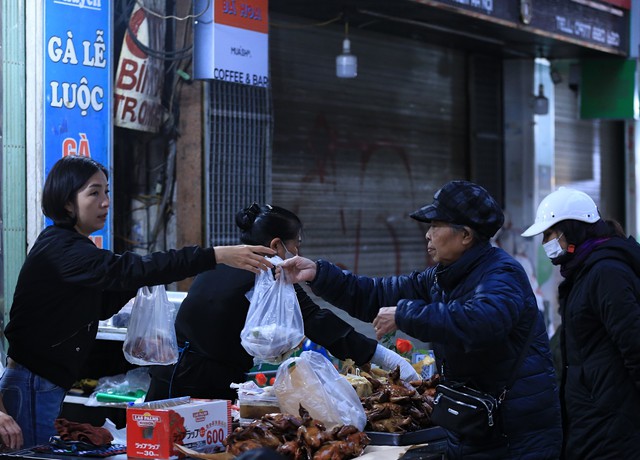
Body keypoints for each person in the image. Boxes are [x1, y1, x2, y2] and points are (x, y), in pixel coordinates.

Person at [0, 156, 276, 450]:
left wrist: (141, 281)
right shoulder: (61, 248)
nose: (105, 202)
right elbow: (128, 270)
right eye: (94, 193)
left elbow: (107, 298)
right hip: (33, 383)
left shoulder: (71, 245)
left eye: (106, 191)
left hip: (45, 383)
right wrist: (214, 256)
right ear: (67, 202)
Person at [279, 180, 562, 459]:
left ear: (465, 235)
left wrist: (405, 314)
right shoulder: (441, 276)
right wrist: (318, 274)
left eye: (435, 226)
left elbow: (480, 321)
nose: (428, 234)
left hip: (516, 439)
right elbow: (376, 294)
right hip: (472, 425)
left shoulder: (502, 274)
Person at [146, 203, 419, 402]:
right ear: (277, 246)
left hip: (170, 375)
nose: (299, 252)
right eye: (296, 244)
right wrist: (388, 359)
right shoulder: (267, 274)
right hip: (198, 388)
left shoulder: (221, 261)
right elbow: (318, 321)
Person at [522, 186, 640, 459]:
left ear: (571, 230)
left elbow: (634, 344)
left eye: (549, 234)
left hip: (612, 425)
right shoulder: (584, 271)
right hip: (592, 419)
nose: (544, 243)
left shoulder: (606, 273)